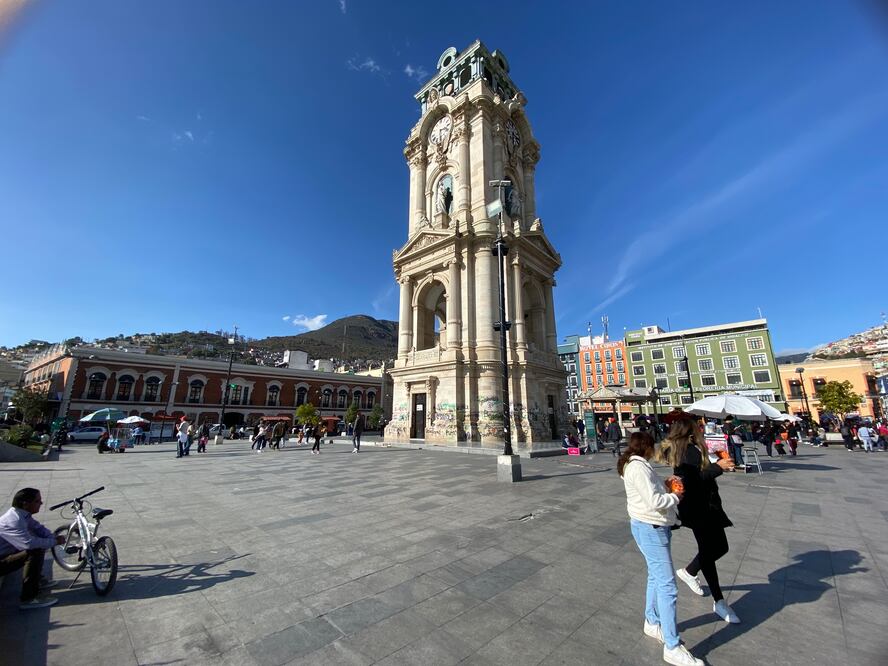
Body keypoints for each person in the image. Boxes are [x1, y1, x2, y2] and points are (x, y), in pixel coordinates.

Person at [618, 433, 703, 666]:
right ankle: (672, 647)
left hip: (650, 526)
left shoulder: (637, 466)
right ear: (646, 447)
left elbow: (649, 493)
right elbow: (654, 502)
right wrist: (675, 496)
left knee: (656, 577)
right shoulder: (638, 468)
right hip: (650, 526)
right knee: (667, 586)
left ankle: (651, 621)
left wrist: (663, 486)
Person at [659, 418, 740, 625]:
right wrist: (718, 468)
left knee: (714, 549)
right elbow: (691, 480)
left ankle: (694, 576)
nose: (701, 428)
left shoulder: (690, 448)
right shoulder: (685, 451)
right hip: (699, 508)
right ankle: (715, 597)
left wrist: (718, 466)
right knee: (713, 549)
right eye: (698, 426)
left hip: (704, 506)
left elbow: (697, 476)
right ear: (689, 430)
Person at [0, 488, 65, 609]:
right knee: (35, 550)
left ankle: (37, 580)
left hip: (6, 553)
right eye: (37, 501)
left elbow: (39, 528)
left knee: (39, 541)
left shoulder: (21, 514)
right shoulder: (15, 520)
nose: (41, 503)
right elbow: (28, 544)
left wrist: (52, 537)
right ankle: (28, 598)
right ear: (25, 504)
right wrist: (54, 541)